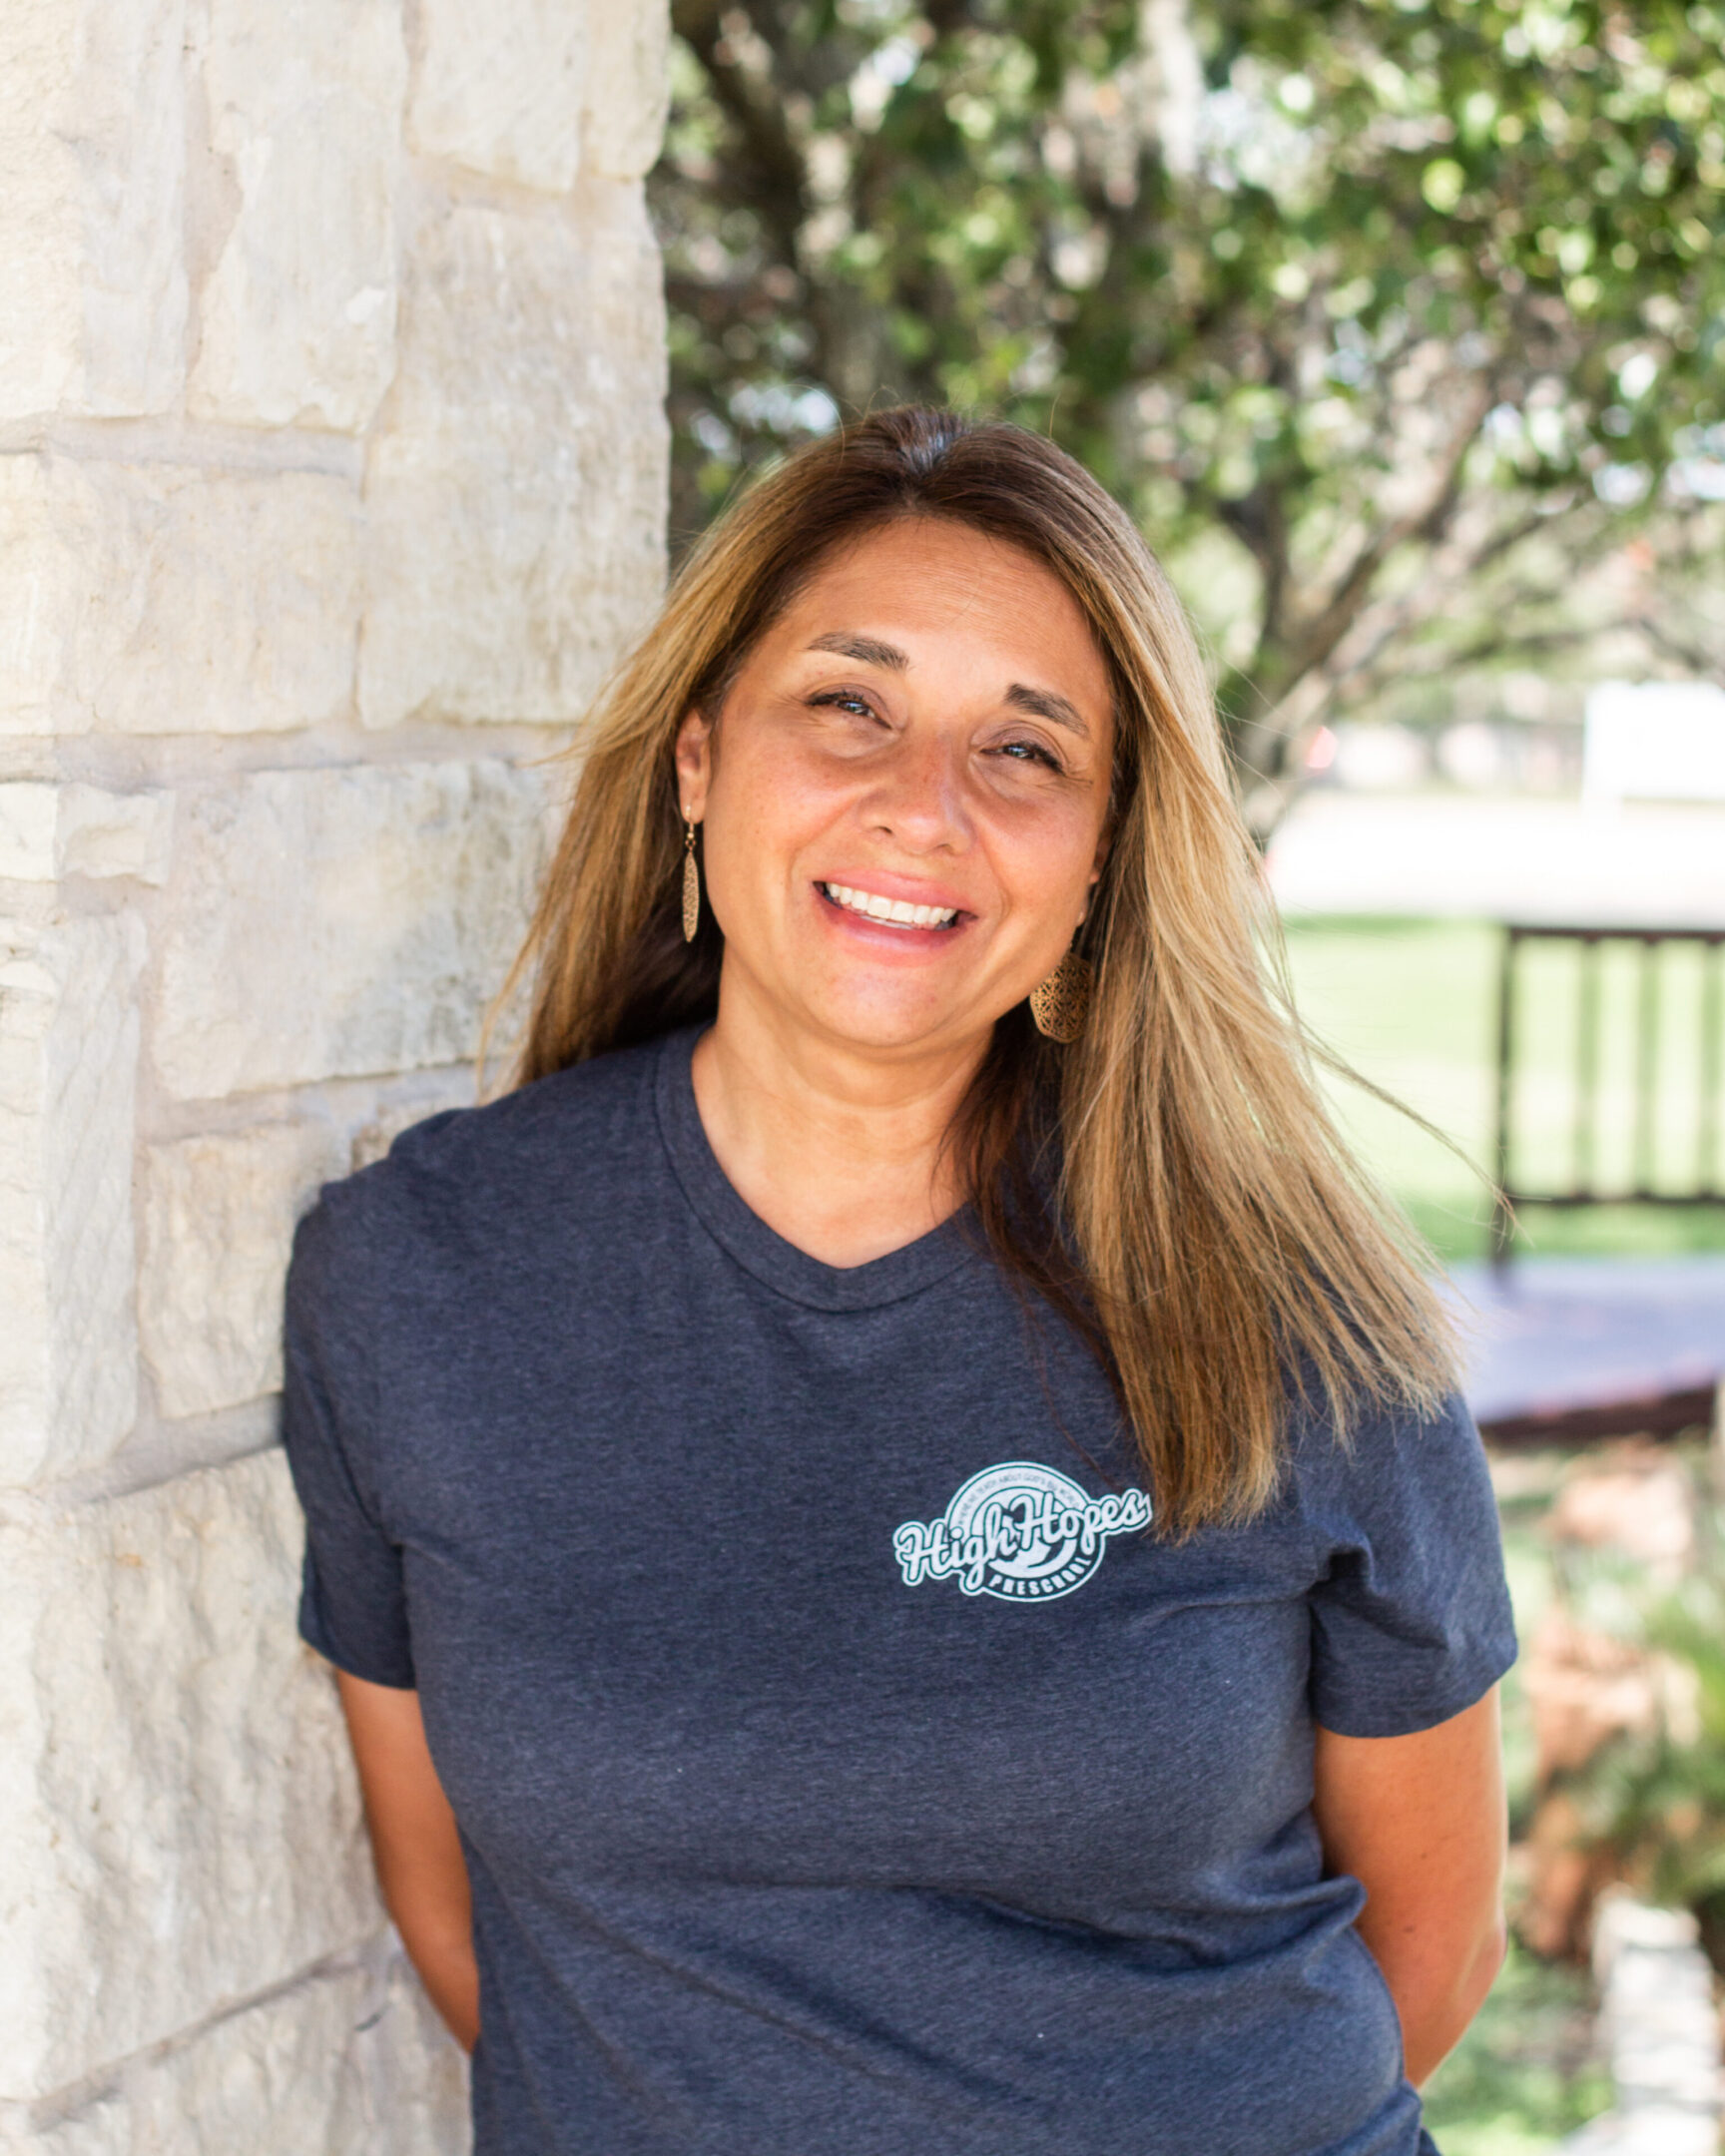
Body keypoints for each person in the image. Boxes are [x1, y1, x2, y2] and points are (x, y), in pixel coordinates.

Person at [284, 407, 1515, 2156]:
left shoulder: (1287, 1309)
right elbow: (465, 1925)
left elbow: (1436, 1951)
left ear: (1101, 860)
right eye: (848, 704)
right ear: (701, 755)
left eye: (1026, 751)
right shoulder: (419, 1281)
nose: (920, 806)